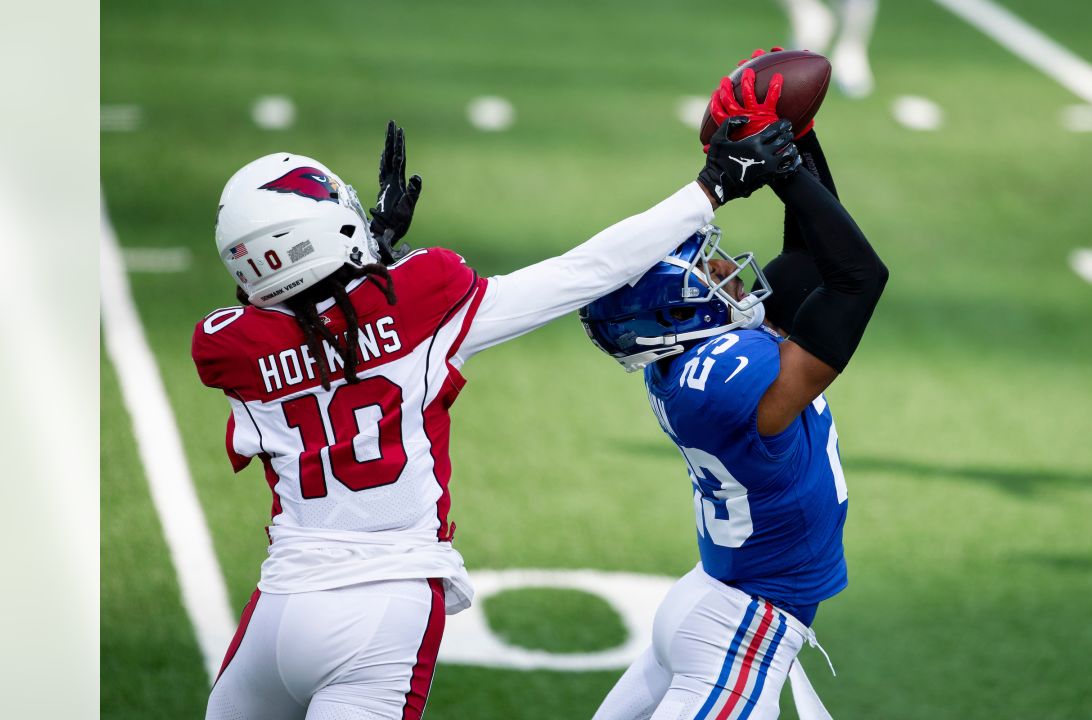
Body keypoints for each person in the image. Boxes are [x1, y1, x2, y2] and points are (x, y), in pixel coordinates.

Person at [194, 119, 799, 719]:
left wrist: (364, 255)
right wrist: (710, 187)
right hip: (388, 604)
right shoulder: (420, 299)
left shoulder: (228, 349)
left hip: (282, 602)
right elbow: (584, 271)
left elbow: (305, 328)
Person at [583, 65, 889, 720]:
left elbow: (810, 256)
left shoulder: (700, 358)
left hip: (713, 601)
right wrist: (784, 168)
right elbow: (857, 279)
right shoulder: (727, 380)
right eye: (705, 272)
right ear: (675, 313)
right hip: (739, 631)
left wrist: (792, 136)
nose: (725, 270)